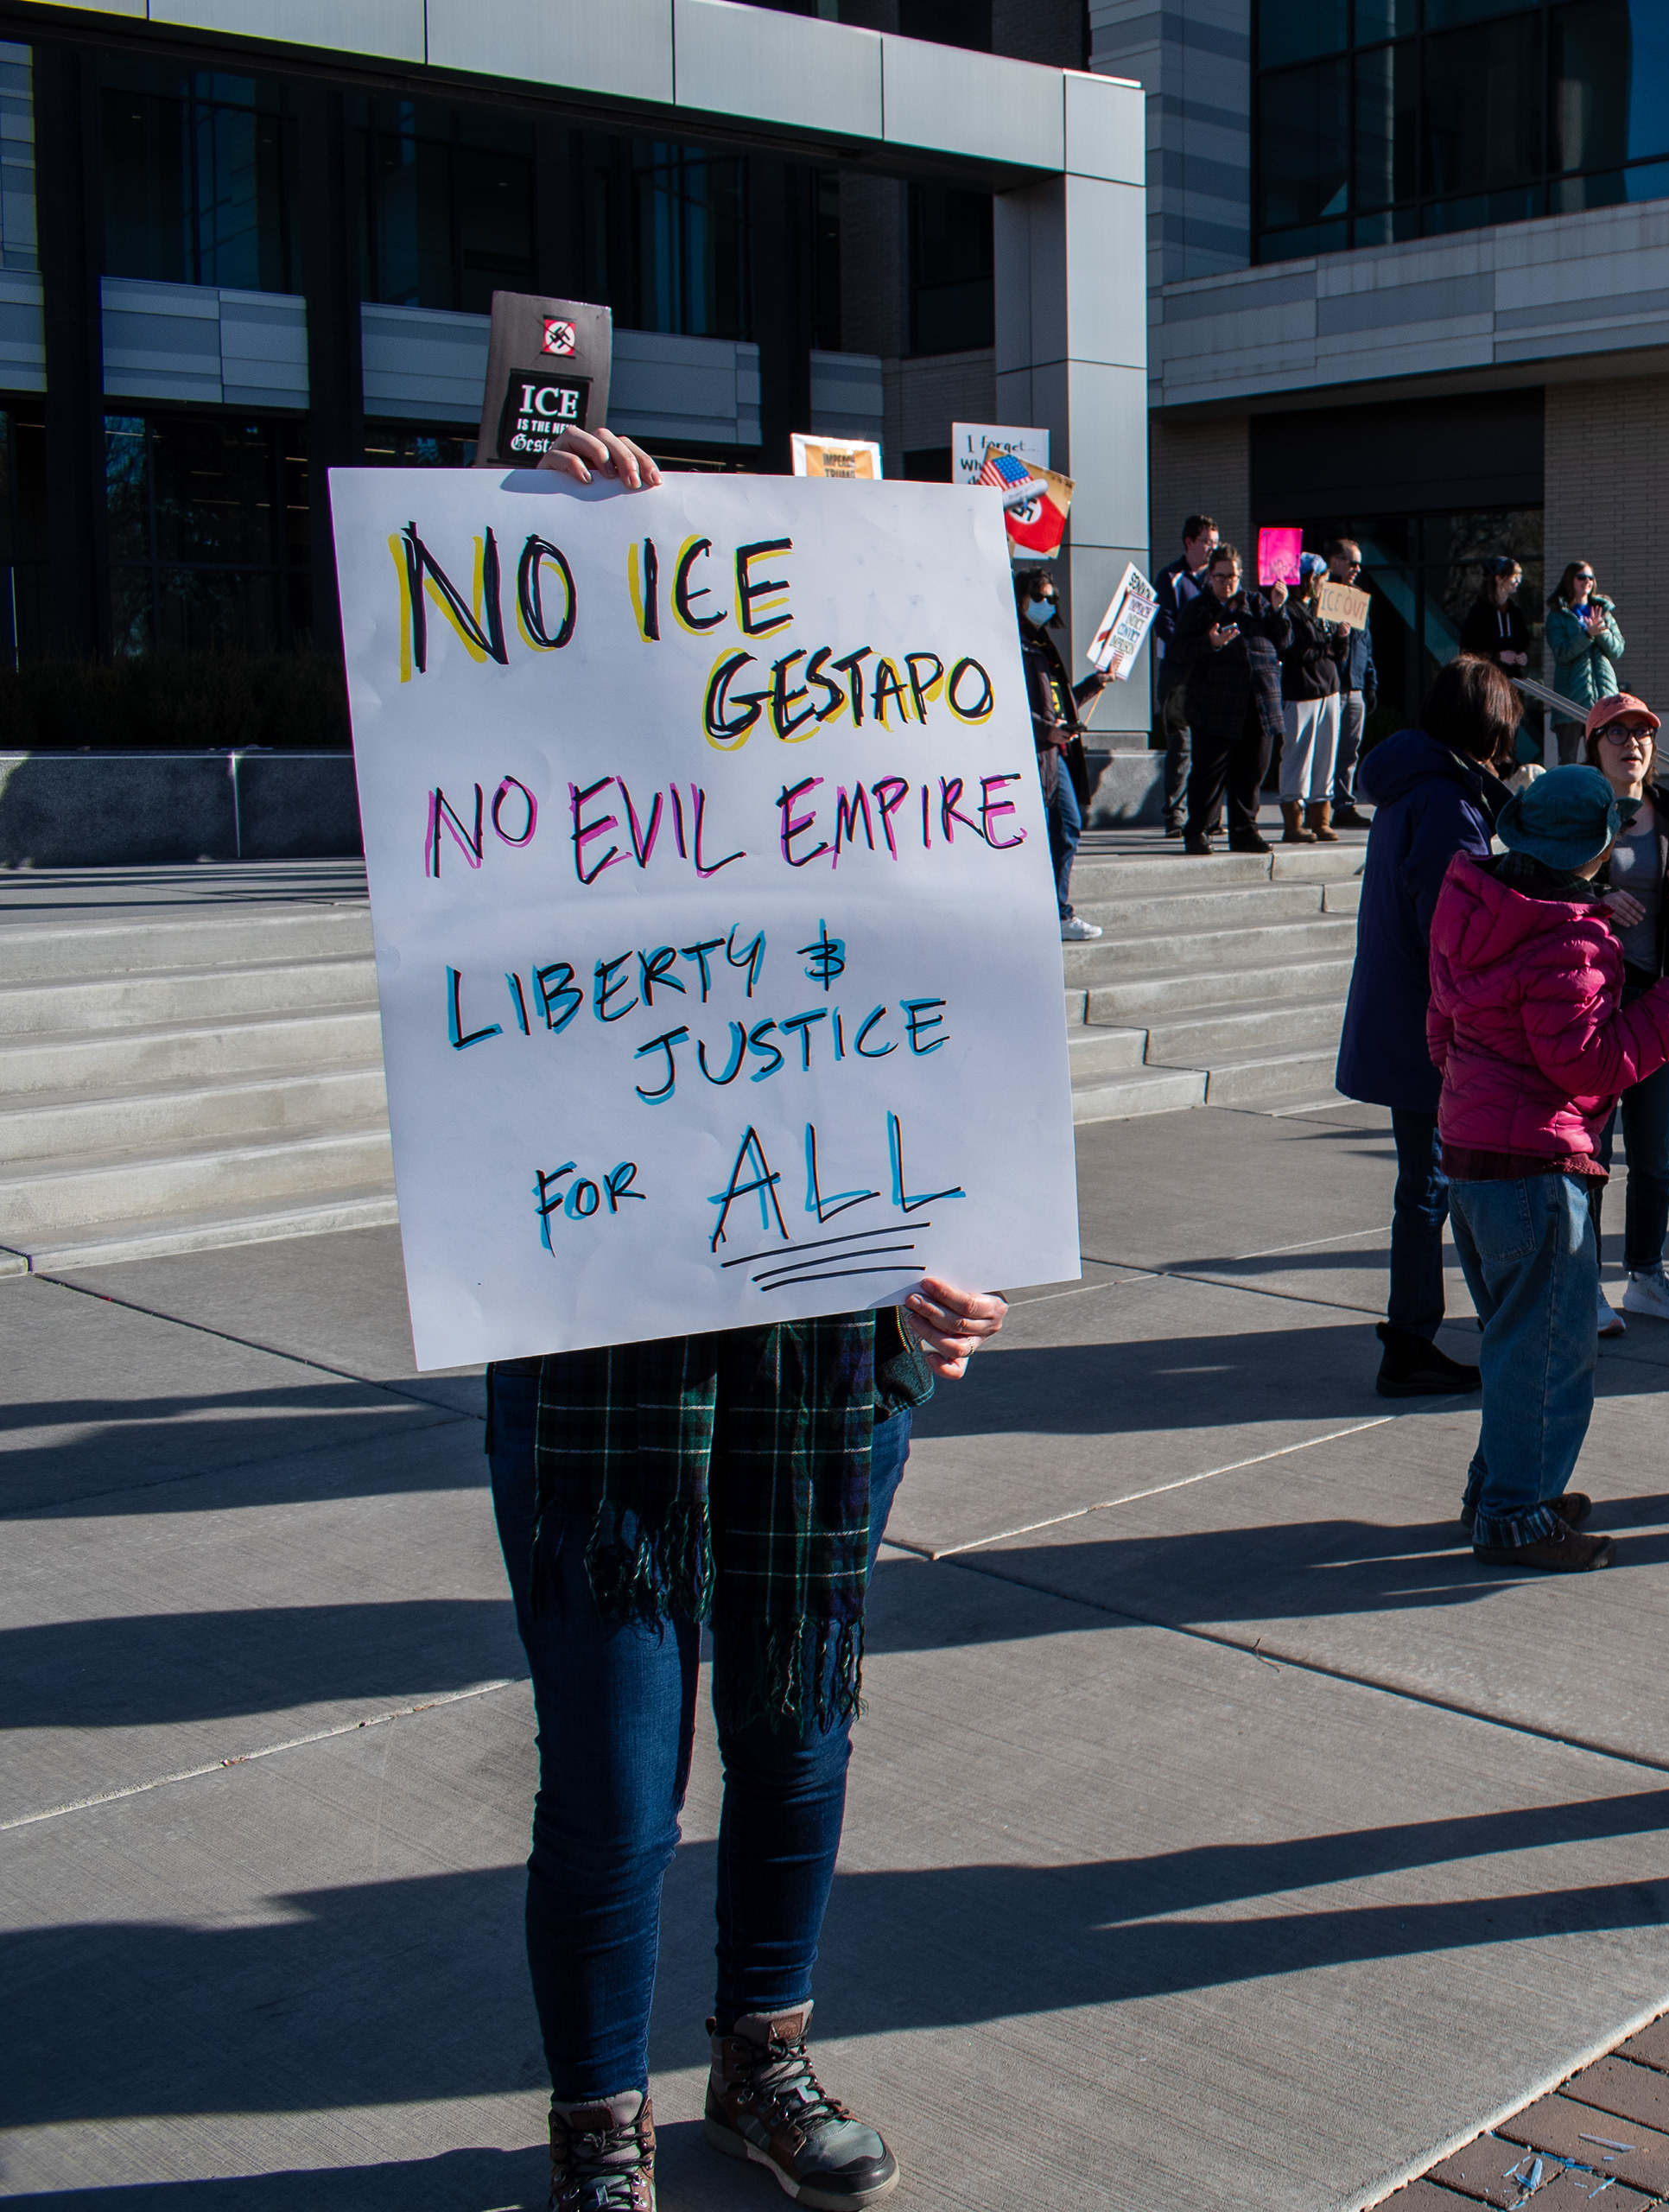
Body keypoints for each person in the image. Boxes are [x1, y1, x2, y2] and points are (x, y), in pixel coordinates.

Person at [499, 421, 1015, 2212]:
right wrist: (574, 554)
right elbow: (460, 765)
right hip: (604, 1365)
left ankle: (758, 2062)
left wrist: (939, 1273)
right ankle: (599, 2131)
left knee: (800, 1724)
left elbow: (935, 1080)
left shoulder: (874, 836)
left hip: (820, 1367)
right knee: (617, 1783)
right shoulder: (555, 852)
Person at [1429, 763, 1669, 1569]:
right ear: (1590, 853)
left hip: (1473, 1156)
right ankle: (1515, 1513)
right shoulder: (1568, 938)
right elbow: (1591, 1067)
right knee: (1550, 1353)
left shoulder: (1474, 904)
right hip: (1536, 1169)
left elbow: (1440, 1032)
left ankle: (1498, 1489)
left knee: (1514, 1343)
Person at [1336, 658, 1519, 1397]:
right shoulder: (1445, 800)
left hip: (1403, 1011)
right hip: (1429, 1025)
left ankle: (1412, 1337)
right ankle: (1409, 1340)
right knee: (1432, 1187)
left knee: (1427, 1183)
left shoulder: (1414, 785)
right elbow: (1458, 932)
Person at [1581, 693, 1669, 1331]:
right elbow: (1546, 881)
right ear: (1593, 746)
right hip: (1598, 1001)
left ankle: (1646, 1274)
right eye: (1617, 734)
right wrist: (1598, 896)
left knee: (1653, 1155)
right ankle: (1583, 1282)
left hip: (1662, 996)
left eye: (1642, 735)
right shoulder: (1582, 812)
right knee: (1591, 1153)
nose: (1631, 745)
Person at [1177, 543, 1287, 856]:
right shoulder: (1197, 609)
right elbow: (1179, 651)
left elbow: (1284, 641)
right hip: (1216, 706)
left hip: (1260, 703)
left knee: (1253, 771)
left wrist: (1279, 608)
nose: (1227, 583)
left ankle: (1244, 831)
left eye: (1233, 576)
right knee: (1208, 773)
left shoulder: (1257, 603)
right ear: (1210, 576)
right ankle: (1197, 830)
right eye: (1221, 576)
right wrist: (1209, 643)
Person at [1018, 566, 1105, 942]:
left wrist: (1093, 684)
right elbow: (1008, 703)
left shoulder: (1041, 644)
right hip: (1034, 753)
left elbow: (1058, 704)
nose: (1047, 604)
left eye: (1051, 598)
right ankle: (1053, 913)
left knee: (1065, 828)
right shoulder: (1013, 643)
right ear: (1019, 599)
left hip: (1055, 753)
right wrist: (1044, 730)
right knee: (1059, 829)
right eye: (1039, 597)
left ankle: (1055, 912)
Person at [1149, 515, 1218, 838]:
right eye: (1206, 541)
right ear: (1189, 542)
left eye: (1215, 543)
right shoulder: (1170, 578)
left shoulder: (1217, 580)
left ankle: (1210, 816)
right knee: (1182, 746)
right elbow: (1165, 627)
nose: (1211, 548)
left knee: (1213, 746)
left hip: (1212, 675)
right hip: (1178, 675)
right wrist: (1202, 644)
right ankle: (1175, 816)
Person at [1277, 551, 1348, 844]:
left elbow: (1335, 654)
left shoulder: (1321, 608)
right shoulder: (1290, 609)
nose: (1325, 582)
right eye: (1322, 577)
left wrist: (1341, 638)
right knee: (1298, 755)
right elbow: (1296, 650)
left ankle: (1321, 818)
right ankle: (1294, 820)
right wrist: (1327, 648)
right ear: (1310, 578)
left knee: (1325, 756)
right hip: (1301, 691)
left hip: (1328, 687)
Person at [1328, 538, 1378, 830]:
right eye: (1351, 562)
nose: (1357, 568)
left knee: (1349, 749)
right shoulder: (1325, 595)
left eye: (1359, 563)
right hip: (1332, 685)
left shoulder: (1358, 596)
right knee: (1327, 750)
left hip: (1355, 685)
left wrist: (1370, 681)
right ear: (1334, 561)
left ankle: (1343, 804)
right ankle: (1318, 805)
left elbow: (1365, 644)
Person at [1467, 556, 1538, 758]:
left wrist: (1523, 656)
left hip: (1513, 681)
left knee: (1511, 728)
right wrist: (1497, 656)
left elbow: (1523, 640)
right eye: (1514, 577)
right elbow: (1470, 648)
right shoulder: (1479, 612)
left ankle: (1508, 764)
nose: (1518, 582)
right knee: (1491, 726)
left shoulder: (1515, 612)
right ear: (1499, 579)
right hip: (1488, 682)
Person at [1546, 562, 1625, 715]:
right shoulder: (1559, 614)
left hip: (1604, 695)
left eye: (1590, 577)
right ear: (1570, 580)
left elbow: (1617, 650)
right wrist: (1587, 635)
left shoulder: (1603, 611)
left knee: (1602, 738)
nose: (1587, 582)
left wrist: (1601, 633)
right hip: (1571, 696)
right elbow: (1562, 653)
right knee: (1569, 738)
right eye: (1581, 577)